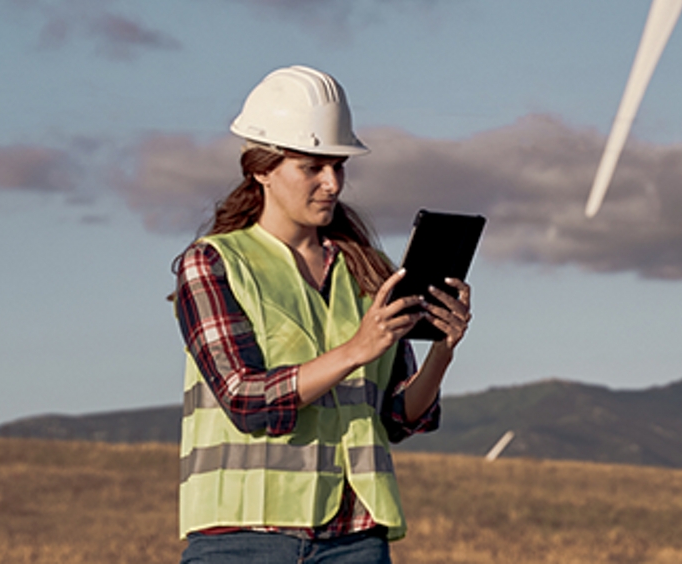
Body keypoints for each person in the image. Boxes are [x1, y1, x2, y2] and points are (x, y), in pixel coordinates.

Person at [173, 65, 470, 563]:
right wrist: (357, 350)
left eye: (338, 166)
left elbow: (398, 418)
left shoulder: (367, 273)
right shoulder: (214, 263)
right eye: (312, 167)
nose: (332, 183)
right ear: (261, 168)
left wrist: (442, 350)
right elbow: (247, 400)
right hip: (243, 538)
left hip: (355, 538)